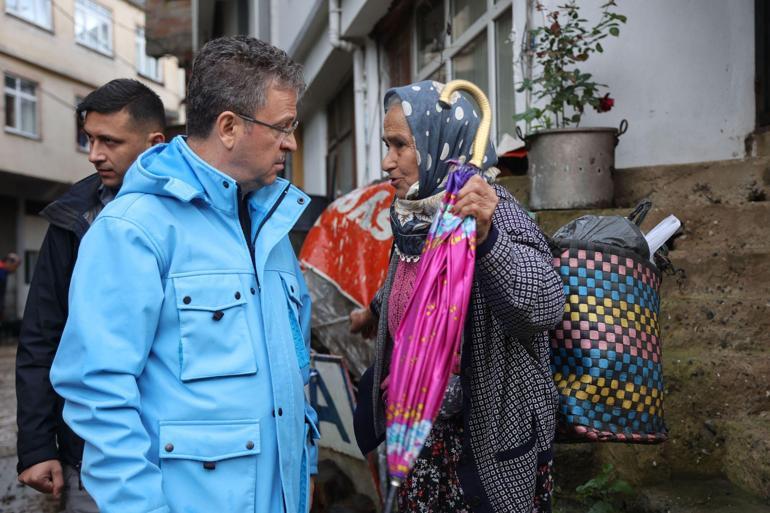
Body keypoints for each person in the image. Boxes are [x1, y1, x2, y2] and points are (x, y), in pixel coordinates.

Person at [50, 36, 318, 513]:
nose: (291, 142)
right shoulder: (134, 230)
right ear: (230, 127)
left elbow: (296, 366)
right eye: (283, 126)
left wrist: (305, 470)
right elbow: (98, 396)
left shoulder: (271, 225)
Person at [350, 81, 566, 512]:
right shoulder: (417, 215)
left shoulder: (491, 210)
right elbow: (422, 284)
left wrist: (487, 239)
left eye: (399, 146)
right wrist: (373, 312)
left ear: (437, 143)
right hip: (425, 445)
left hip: (484, 450)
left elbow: (543, 304)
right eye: (386, 145)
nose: (387, 161)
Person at [16, 78, 166, 512]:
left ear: (154, 142)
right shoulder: (73, 218)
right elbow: (43, 335)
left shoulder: (193, 210)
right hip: (90, 456)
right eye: (90, 139)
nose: (94, 153)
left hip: (182, 451)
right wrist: (37, 444)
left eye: (109, 141)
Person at [0, 252, 21, 321]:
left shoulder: (4, 273)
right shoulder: (1, 272)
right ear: (8, 262)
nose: (15, 269)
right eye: (15, 266)